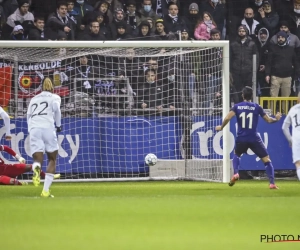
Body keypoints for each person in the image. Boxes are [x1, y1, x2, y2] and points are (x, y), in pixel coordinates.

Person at [215, 87, 281, 189]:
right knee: (267, 160)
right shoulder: (257, 107)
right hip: (254, 137)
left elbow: (228, 117)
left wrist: (221, 127)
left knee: (236, 154)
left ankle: (236, 173)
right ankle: (272, 183)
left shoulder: (237, 106)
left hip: (241, 137)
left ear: (242, 95)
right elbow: (268, 120)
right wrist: (276, 119)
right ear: (252, 96)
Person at [27, 78, 62, 198]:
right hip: (47, 126)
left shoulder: (34, 99)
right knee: (52, 158)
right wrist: (58, 125)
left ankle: (36, 168)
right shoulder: (55, 97)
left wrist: (30, 129)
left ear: (41, 87)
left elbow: (28, 115)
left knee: (37, 158)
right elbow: (57, 110)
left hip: (34, 128)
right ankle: (45, 191)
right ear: (52, 87)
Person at [282, 92, 300, 180]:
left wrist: (290, 140)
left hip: (296, 138)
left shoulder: (293, 109)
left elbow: (284, 127)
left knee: (298, 163)